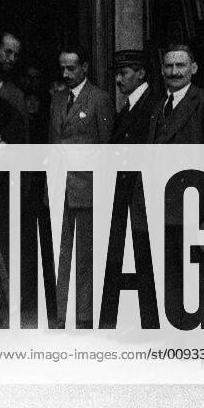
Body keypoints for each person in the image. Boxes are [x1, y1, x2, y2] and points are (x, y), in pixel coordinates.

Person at [148, 43, 204, 331]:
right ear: (161, 70)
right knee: (171, 273)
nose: (174, 72)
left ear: (193, 68)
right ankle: (178, 335)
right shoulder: (159, 106)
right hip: (165, 205)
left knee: (197, 272)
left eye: (181, 65)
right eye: (169, 66)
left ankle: (200, 341)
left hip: (195, 206)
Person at [48, 44, 114, 328]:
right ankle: (63, 314)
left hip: (87, 188)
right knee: (61, 252)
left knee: (85, 254)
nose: (65, 73)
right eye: (62, 68)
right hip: (59, 187)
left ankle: (85, 315)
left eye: (71, 68)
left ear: (85, 67)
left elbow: (106, 146)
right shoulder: (57, 99)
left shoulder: (100, 99)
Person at [110, 49, 160, 144]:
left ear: (141, 73)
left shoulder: (155, 105)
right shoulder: (128, 106)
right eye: (116, 74)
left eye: (123, 73)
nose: (118, 79)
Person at [0, 31, 30, 141]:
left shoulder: (17, 95)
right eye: (8, 52)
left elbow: (24, 139)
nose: (12, 59)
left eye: (15, 55)